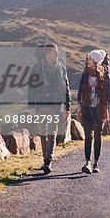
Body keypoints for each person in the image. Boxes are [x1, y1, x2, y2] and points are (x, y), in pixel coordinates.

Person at [28, 43, 71, 174]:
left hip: (55, 105)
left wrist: (67, 106)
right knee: (42, 133)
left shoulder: (61, 67)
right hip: (41, 104)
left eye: (56, 52)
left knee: (52, 132)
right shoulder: (37, 68)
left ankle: (48, 162)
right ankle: (45, 158)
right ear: (47, 54)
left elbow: (66, 87)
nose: (57, 54)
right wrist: (31, 106)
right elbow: (31, 87)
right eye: (54, 52)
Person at [76, 49, 110, 174]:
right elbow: (80, 93)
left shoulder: (105, 76)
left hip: (99, 109)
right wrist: (78, 109)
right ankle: (87, 162)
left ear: (96, 61)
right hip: (87, 108)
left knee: (98, 136)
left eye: (90, 59)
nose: (88, 61)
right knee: (88, 136)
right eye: (88, 59)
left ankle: (96, 163)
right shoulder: (85, 74)